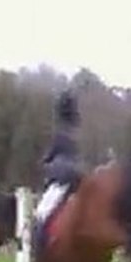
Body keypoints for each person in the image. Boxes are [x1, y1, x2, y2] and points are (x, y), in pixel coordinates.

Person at [33, 91, 84, 248]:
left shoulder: (58, 135)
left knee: (41, 214)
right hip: (77, 179)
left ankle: (40, 243)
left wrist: (42, 163)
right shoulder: (76, 135)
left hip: (61, 179)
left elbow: (49, 157)